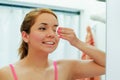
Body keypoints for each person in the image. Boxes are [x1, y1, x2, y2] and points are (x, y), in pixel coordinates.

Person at [0, 8, 105, 80]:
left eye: (55, 29)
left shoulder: (65, 68)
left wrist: (77, 42)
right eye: (42, 28)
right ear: (25, 36)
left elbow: (109, 65)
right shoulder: (6, 73)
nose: (51, 34)